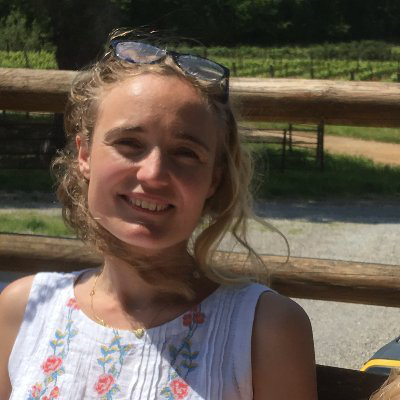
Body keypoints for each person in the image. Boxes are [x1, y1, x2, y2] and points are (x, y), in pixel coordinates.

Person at [0, 29, 317, 399]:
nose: (153, 174)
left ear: (213, 179)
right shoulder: (24, 311)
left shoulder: (264, 329)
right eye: (129, 143)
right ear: (85, 155)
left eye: (185, 152)